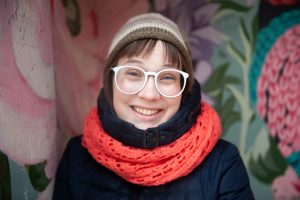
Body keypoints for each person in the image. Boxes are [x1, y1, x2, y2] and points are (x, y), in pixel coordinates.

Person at [53, 13, 254, 199]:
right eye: (133, 73)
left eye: (166, 77)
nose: (150, 94)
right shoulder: (76, 157)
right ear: (111, 81)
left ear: (184, 89)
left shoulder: (223, 162)